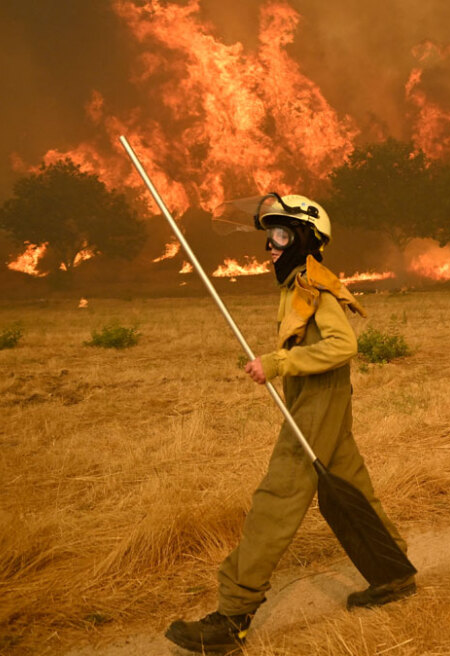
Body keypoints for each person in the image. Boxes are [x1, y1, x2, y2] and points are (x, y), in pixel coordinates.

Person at [165, 194, 414, 654]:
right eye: (268, 236)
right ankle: (394, 571)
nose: (271, 246)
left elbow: (343, 346)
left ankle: (232, 615)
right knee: (351, 486)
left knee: (277, 497)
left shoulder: (313, 286)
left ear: (305, 239)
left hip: (319, 400)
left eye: (280, 235)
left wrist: (279, 362)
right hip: (318, 396)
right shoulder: (296, 283)